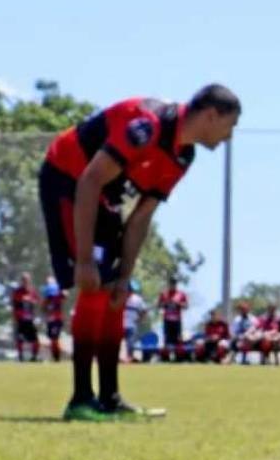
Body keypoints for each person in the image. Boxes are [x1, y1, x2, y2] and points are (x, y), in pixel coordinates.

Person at [39, 83, 240, 420]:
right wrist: (86, 260)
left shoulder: (182, 155)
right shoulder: (147, 126)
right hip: (69, 178)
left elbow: (142, 215)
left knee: (116, 288)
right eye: (229, 126)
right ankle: (80, 400)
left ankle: (110, 398)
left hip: (103, 193)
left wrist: (126, 274)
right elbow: (89, 180)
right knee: (95, 285)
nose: (229, 137)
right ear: (210, 115)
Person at [10, 273, 41, 362]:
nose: (25, 282)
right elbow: (15, 304)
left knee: (35, 339)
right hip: (20, 319)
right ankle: (20, 356)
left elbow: (37, 302)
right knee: (20, 339)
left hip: (30, 320)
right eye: (23, 280)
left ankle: (34, 357)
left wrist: (31, 301)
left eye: (26, 280)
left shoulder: (32, 291)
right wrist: (15, 317)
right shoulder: (17, 292)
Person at [158, 276, 189, 362]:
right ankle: (166, 358)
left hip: (177, 321)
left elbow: (186, 306)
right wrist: (166, 303)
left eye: (174, 283)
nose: (173, 284)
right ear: (169, 284)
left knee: (178, 340)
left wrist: (178, 303)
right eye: (171, 283)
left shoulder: (181, 294)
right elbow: (159, 305)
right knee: (167, 340)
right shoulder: (164, 294)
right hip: (167, 320)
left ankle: (178, 358)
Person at [122, 280, 148, 363]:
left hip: (131, 325)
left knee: (130, 344)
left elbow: (144, 311)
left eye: (129, 289)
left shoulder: (137, 299)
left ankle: (129, 358)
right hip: (120, 324)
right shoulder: (120, 297)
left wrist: (139, 320)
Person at [43, 277, 66, 362]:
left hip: (57, 319)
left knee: (55, 338)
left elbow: (64, 295)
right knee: (52, 338)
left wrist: (61, 289)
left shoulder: (58, 295)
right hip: (50, 320)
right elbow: (43, 308)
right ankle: (55, 356)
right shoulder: (46, 298)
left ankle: (57, 357)